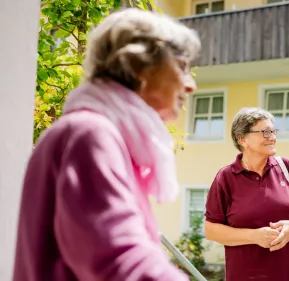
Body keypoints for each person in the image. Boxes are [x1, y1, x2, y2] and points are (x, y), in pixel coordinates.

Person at [13, 8, 200, 281]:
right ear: (140, 66)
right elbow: (118, 260)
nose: (190, 85)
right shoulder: (90, 134)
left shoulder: (98, 133)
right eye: (182, 67)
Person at [204, 107, 289, 281]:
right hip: (247, 274)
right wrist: (254, 236)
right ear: (242, 139)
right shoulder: (225, 178)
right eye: (264, 132)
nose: (272, 137)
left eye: (272, 131)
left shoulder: (285, 167)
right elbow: (211, 230)